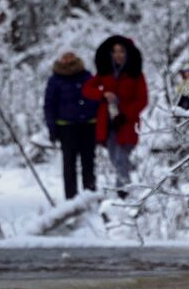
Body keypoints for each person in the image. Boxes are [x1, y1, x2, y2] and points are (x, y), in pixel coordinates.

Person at [83, 35, 148, 196]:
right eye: (115, 52)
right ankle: (125, 187)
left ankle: (123, 192)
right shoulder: (104, 74)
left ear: (128, 54)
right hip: (108, 125)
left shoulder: (136, 75)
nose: (118, 55)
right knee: (114, 158)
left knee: (122, 157)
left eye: (121, 51)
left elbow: (143, 100)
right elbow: (86, 90)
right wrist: (103, 94)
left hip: (126, 124)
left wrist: (126, 115)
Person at [44, 51, 100, 200]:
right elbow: (49, 105)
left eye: (70, 56)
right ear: (60, 60)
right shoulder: (55, 80)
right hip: (66, 128)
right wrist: (52, 129)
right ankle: (71, 199)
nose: (67, 59)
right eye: (64, 57)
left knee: (88, 162)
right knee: (69, 165)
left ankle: (90, 195)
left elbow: (97, 99)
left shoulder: (87, 76)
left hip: (88, 126)